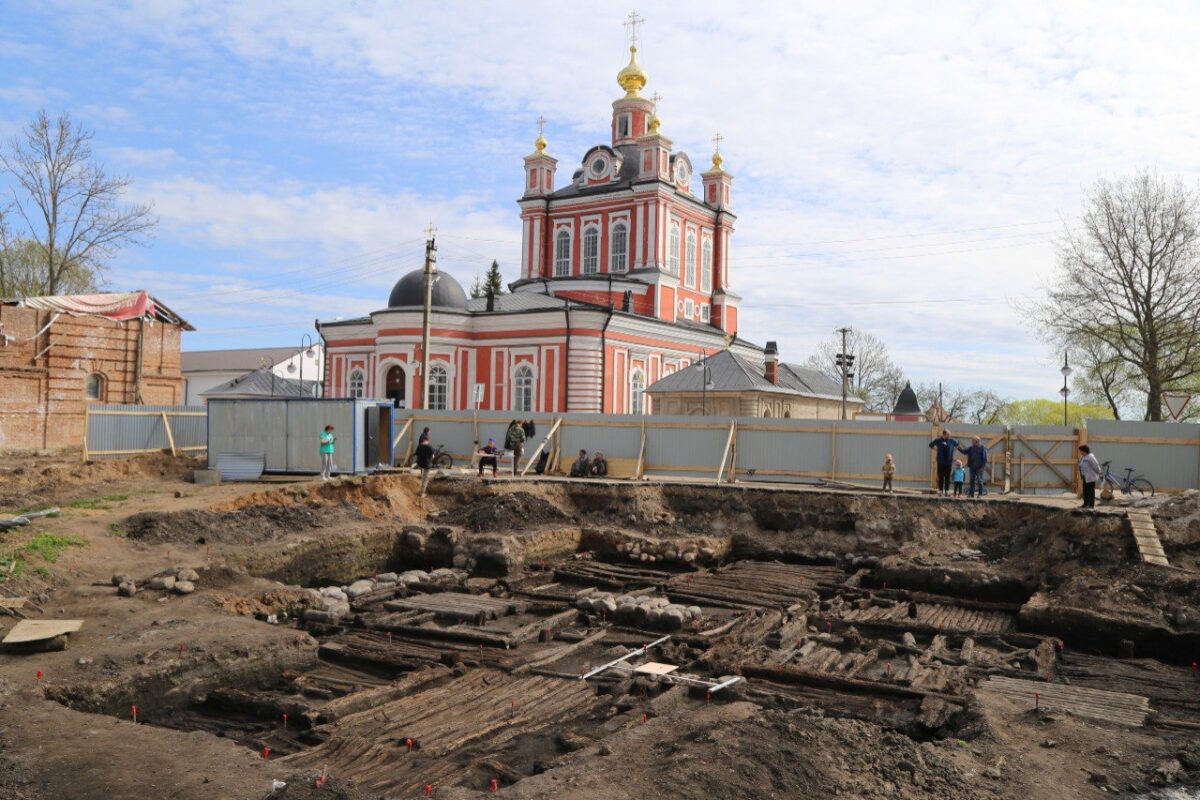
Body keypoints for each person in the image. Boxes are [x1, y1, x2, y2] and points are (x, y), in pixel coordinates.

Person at [928, 430, 959, 496]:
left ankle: (947, 491)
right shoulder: (938, 440)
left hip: (948, 462)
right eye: (948, 434)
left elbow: (957, 445)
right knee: (941, 477)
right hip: (940, 461)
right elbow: (930, 445)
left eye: (949, 434)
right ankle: (940, 491)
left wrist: (953, 450)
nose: (949, 436)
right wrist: (936, 449)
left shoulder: (952, 441)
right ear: (944, 434)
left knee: (947, 477)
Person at [1079, 444, 1102, 509]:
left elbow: (1096, 466)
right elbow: (1080, 465)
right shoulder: (1083, 457)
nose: (1080, 452)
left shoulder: (1091, 457)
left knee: (1091, 492)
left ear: (1084, 451)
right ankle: (1085, 504)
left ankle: (1091, 505)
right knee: (1085, 491)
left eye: (1081, 451)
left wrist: (1099, 472)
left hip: (1091, 477)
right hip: (1085, 477)